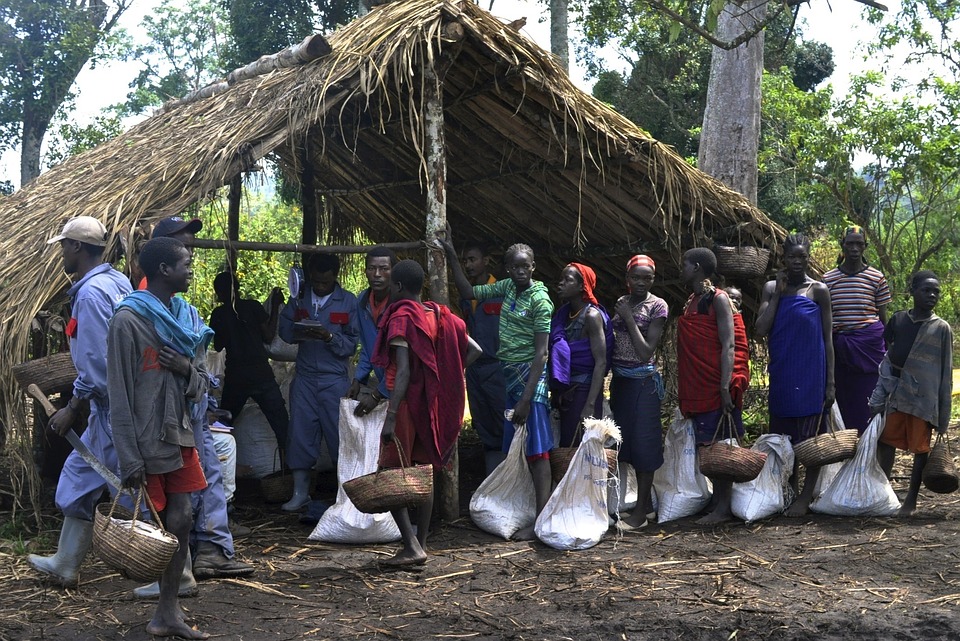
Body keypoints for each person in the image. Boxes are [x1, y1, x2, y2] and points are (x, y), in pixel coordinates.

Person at [107, 236, 211, 639]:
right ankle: (164, 611)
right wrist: (128, 457)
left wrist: (185, 368)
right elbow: (119, 394)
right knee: (162, 526)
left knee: (183, 518)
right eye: (186, 263)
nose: (191, 270)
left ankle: (168, 611)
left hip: (179, 433)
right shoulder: (127, 320)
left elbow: (203, 380)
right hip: (145, 439)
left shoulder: (186, 317)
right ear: (165, 270)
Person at [143, 217, 253, 591]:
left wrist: (195, 381)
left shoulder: (179, 306)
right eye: (184, 248)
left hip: (189, 410)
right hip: (166, 417)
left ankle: (200, 556)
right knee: (179, 488)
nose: (191, 256)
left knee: (199, 481)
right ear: (163, 261)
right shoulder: (144, 307)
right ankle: (184, 564)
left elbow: (197, 367)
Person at [28, 217, 132, 587]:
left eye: (63, 246)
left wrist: (73, 407)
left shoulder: (89, 295)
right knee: (80, 475)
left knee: (133, 489)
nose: (61, 253)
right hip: (121, 403)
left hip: (113, 407)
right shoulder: (118, 282)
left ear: (76, 247)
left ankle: (175, 570)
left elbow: (97, 362)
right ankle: (66, 562)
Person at [439, 227, 554, 541]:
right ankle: (520, 507)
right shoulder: (507, 288)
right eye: (515, 267)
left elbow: (542, 353)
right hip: (510, 377)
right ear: (507, 269)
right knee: (515, 447)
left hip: (529, 382)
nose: (520, 271)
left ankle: (541, 522)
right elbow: (468, 292)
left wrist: (526, 400)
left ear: (533, 266)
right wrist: (450, 253)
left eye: (525, 266)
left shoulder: (540, 300)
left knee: (538, 452)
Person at [371, 260, 480, 566]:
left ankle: (410, 546)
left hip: (406, 405)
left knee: (392, 472)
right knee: (424, 471)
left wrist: (391, 415)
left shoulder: (402, 317)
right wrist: (441, 376)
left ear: (398, 287)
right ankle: (422, 542)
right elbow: (475, 350)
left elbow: (404, 371)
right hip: (430, 405)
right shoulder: (440, 314)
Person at [755, 233, 835, 517]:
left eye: (802, 256)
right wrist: (778, 293)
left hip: (811, 374)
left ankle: (805, 496)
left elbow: (828, 339)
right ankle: (788, 490)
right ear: (784, 258)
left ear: (808, 257)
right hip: (783, 373)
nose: (797, 262)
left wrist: (830, 382)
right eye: (792, 257)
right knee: (783, 437)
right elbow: (761, 329)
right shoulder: (770, 288)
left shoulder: (819, 290)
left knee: (811, 439)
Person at [278, 252, 360, 511]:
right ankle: (300, 492)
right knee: (300, 433)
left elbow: (352, 344)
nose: (320, 286)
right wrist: (298, 330)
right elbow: (284, 329)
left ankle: (344, 495)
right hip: (304, 377)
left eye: (325, 282)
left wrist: (328, 337)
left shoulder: (348, 301)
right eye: (316, 282)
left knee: (339, 437)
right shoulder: (299, 297)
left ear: (336, 276)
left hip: (334, 379)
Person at [677, 248, 750, 525]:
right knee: (707, 446)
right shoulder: (694, 300)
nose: (681, 269)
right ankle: (717, 501)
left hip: (715, 384)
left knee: (720, 447)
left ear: (697, 267)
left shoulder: (718, 299)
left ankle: (724, 508)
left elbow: (729, 344)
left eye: (685, 264)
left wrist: (724, 386)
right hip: (698, 385)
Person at [870, 271, 953, 517]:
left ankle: (911, 501)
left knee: (920, 448)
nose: (932, 295)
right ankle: (883, 495)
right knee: (886, 442)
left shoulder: (941, 328)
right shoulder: (898, 319)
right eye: (926, 290)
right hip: (896, 393)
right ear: (912, 291)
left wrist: (943, 414)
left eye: (936, 292)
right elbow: (889, 352)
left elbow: (946, 372)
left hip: (923, 398)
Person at [609, 255, 668, 529]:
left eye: (647, 278)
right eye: (636, 277)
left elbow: (645, 352)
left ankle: (640, 516)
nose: (641, 283)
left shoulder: (658, 306)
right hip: (622, 383)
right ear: (627, 278)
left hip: (643, 384)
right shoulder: (623, 301)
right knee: (627, 444)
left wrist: (628, 318)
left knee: (645, 445)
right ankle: (645, 506)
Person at [823, 226, 891, 434]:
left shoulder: (876, 277)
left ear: (865, 246)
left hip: (869, 348)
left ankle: (869, 443)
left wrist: (889, 349)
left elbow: (883, 317)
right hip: (840, 350)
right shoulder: (828, 280)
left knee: (869, 398)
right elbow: (825, 319)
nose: (854, 248)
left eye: (859, 244)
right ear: (842, 245)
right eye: (850, 243)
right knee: (844, 399)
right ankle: (847, 444)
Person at [209, 271, 289, 450]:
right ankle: (289, 466)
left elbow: (218, 346)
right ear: (237, 288)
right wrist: (275, 306)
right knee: (282, 427)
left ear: (219, 293)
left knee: (222, 425)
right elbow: (268, 336)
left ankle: (218, 460)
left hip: (236, 377)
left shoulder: (218, 314)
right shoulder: (252, 306)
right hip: (261, 375)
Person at [457, 241, 507, 475]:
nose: (468, 265)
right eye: (465, 261)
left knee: (503, 419)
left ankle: (510, 473)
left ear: (486, 261)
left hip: (498, 367)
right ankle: (492, 475)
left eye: (472, 259)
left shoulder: (501, 291)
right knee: (482, 421)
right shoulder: (466, 297)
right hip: (475, 368)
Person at [549, 262, 611, 447]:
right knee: (566, 448)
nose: (560, 283)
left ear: (582, 286)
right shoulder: (563, 315)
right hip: (567, 391)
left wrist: (590, 405)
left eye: (567, 280)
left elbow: (601, 362)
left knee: (581, 449)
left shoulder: (591, 316)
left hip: (584, 391)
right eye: (560, 279)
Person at [348, 247, 397, 416]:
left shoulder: (400, 306)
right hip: (385, 386)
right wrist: (358, 379)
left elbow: (402, 361)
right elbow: (369, 347)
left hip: (404, 389)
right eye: (371, 268)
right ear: (365, 271)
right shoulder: (362, 301)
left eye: (384, 269)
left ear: (393, 272)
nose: (377, 274)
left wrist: (377, 394)